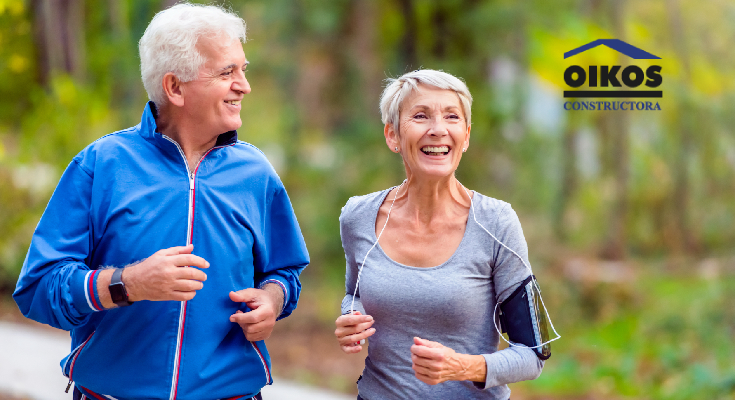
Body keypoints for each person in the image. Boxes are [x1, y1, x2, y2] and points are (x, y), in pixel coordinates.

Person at [13, 4, 309, 399]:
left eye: (243, 69)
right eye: (227, 72)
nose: (244, 85)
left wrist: (272, 300)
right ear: (174, 87)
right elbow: (38, 289)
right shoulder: (101, 165)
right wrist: (127, 283)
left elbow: (285, 271)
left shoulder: (255, 173)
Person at [334, 69, 554, 399]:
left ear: (465, 136)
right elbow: (355, 291)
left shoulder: (496, 223)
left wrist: (462, 366)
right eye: (421, 115)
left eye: (451, 117)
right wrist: (350, 315)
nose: (438, 130)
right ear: (393, 136)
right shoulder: (358, 216)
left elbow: (534, 353)